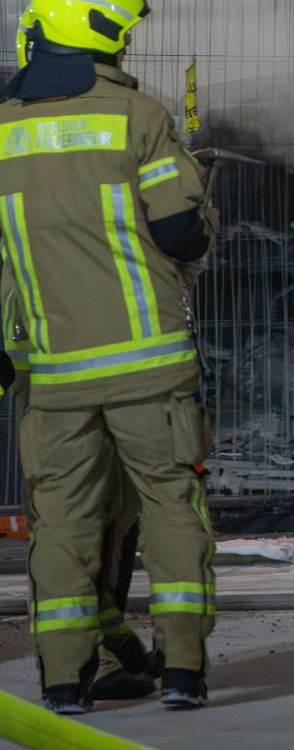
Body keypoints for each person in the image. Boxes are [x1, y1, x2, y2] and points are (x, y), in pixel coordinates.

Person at [0, 0, 219, 713]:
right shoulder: (141, 118)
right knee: (168, 507)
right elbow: (181, 231)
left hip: (55, 378)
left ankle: (64, 681)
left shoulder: (0, 130)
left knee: (61, 524)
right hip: (150, 371)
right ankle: (184, 671)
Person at [2, 273, 159, 701]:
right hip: (56, 396)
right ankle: (74, 665)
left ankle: (103, 651)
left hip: (101, 384)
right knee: (70, 531)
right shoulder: (28, 226)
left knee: (114, 523)